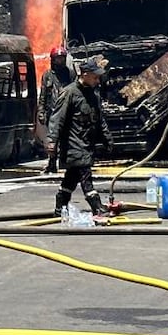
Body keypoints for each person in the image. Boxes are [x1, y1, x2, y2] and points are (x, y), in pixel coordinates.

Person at [47, 56, 113, 218]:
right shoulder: (69, 93)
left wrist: (107, 139)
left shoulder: (93, 95)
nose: (98, 81)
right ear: (85, 74)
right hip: (73, 144)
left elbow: (99, 119)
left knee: (71, 177)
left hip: (87, 143)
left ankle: (60, 208)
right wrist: (52, 141)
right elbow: (57, 119)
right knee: (85, 175)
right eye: (95, 77)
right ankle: (97, 207)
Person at [38, 46, 74, 173]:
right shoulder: (47, 75)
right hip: (52, 113)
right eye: (57, 59)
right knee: (53, 139)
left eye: (62, 58)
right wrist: (41, 111)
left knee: (67, 138)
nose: (60, 61)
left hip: (67, 111)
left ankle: (66, 163)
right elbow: (43, 95)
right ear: (53, 60)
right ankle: (52, 163)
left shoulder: (70, 74)